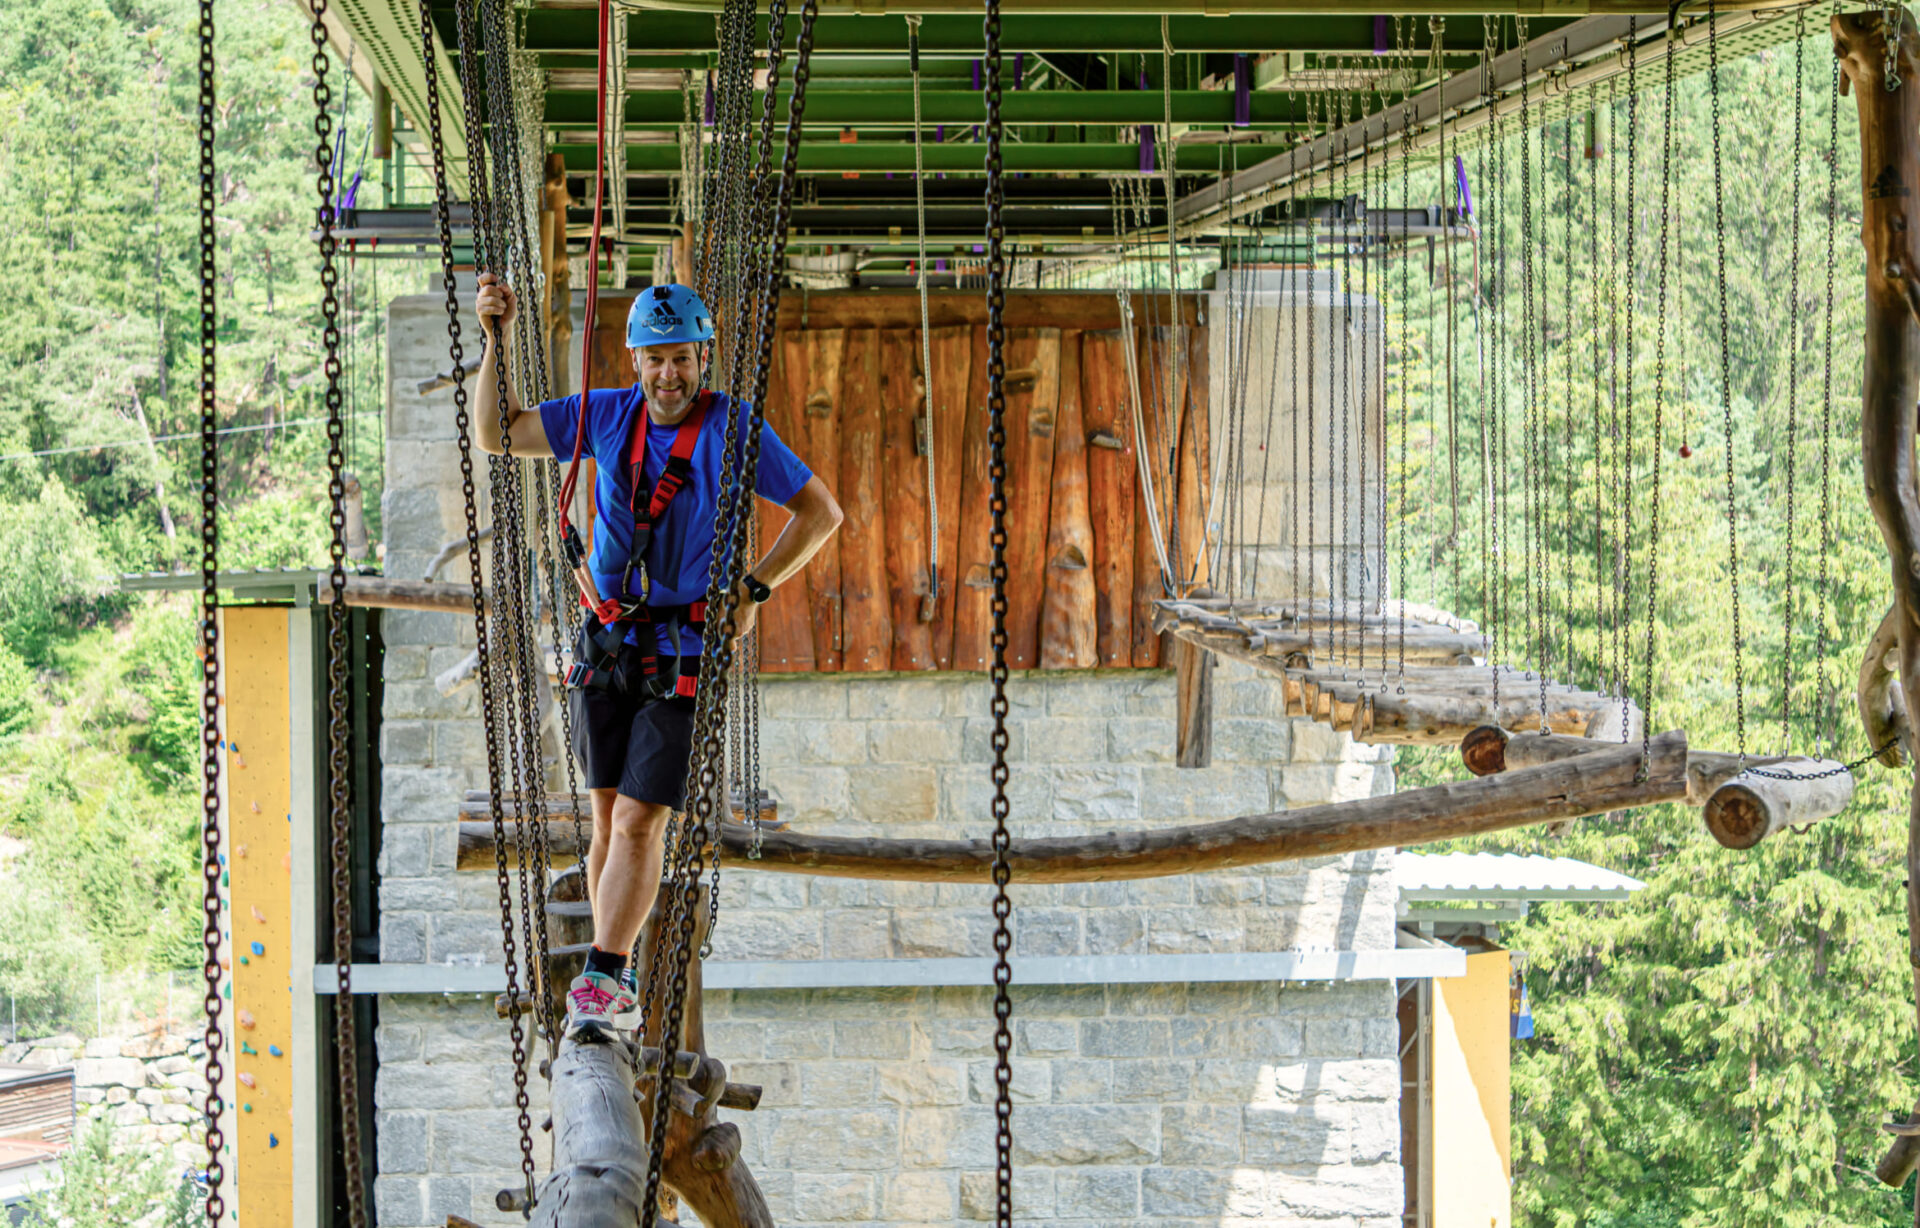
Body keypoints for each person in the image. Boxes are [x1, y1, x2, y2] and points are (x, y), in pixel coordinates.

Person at [470, 273, 842, 1037]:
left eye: (682, 358)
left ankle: (604, 982)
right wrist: (495, 340)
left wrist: (756, 586)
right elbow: (496, 433)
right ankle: (619, 970)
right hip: (606, 644)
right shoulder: (605, 415)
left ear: (702, 357)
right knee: (607, 821)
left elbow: (821, 512)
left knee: (641, 819)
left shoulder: (734, 428)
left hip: (682, 646)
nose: (669, 375)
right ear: (634, 360)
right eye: (654, 359)